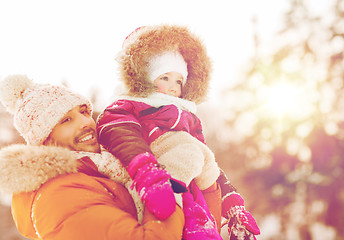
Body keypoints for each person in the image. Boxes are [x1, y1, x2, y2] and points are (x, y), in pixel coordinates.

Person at [96, 25, 260, 240]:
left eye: (178, 81)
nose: (173, 87)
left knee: (197, 155)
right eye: (164, 78)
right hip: (151, 187)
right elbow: (121, 135)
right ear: (143, 77)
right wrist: (149, 174)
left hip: (193, 192)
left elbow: (206, 161)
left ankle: (231, 220)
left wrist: (232, 203)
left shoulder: (187, 117)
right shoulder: (127, 106)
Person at [0, 75, 185, 240]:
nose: (85, 123)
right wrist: (170, 187)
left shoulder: (107, 167)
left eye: (83, 111)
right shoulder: (59, 195)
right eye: (66, 120)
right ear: (46, 140)